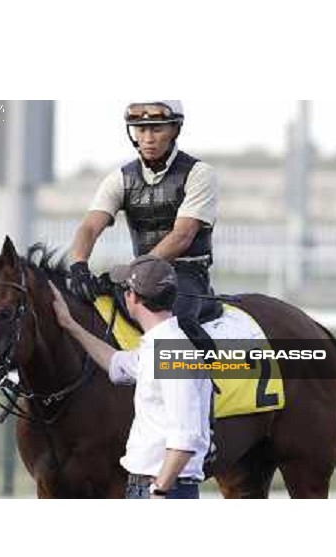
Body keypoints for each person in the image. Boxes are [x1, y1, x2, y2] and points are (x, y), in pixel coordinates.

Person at [51, 255, 212, 499]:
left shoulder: (170, 351)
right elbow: (116, 364)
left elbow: (185, 439)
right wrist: (70, 324)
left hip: (164, 488)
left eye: (124, 288)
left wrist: (159, 491)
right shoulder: (158, 345)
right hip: (153, 486)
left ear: (133, 297)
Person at [69, 100, 221, 330]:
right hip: (139, 277)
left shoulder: (200, 174)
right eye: (141, 129)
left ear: (174, 130)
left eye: (157, 129)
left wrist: (132, 272)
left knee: (177, 323)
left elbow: (182, 236)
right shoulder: (119, 178)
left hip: (186, 276)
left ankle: (207, 366)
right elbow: (89, 228)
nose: (148, 138)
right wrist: (78, 265)